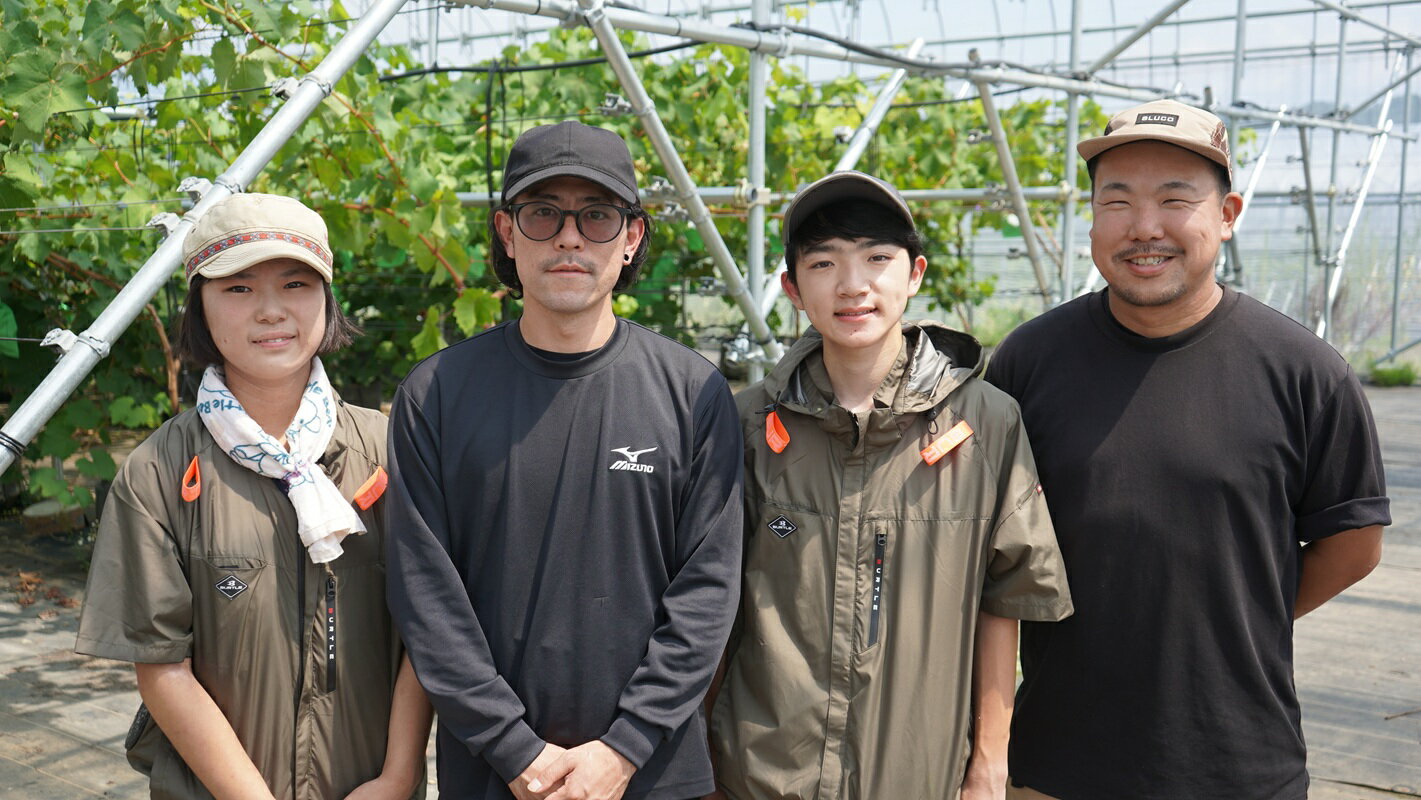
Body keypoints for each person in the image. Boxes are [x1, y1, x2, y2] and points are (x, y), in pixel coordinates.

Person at [984, 99, 1391, 800]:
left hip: (1238, 764)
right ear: (1091, 217)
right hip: (1055, 766)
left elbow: (1352, 544)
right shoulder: (1030, 360)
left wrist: (1239, 612)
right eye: (1117, 201)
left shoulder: (1302, 371)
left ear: (1227, 214)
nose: (1144, 227)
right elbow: (986, 551)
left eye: (1175, 199)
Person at [385, 121, 743, 800]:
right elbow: (425, 596)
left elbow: (707, 593)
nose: (569, 237)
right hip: (495, 775)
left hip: (652, 773)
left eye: (597, 216)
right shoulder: (435, 394)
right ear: (506, 232)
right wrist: (514, 749)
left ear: (632, 236)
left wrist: (625, 746)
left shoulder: (693, 393)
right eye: (543, 214)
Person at [709, 171, 1074, 800]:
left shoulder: (984, 422)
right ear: (793, 288)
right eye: (824, 263)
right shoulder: (747, 425)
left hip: (918, 773)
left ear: (916, 273)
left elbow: (1006, 596)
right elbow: (712, 603)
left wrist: (989, 764)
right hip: (761, 774)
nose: (853, 285)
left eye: (877, 258)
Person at [75, 192, 433, 799]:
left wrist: (398, 777)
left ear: (326, 299)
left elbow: (426, 632)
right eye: (238, 289)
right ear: (199, 309)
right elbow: (162, 667)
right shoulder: (159, 473)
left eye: (295, 284)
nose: (271, 311)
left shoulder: (392, 450)